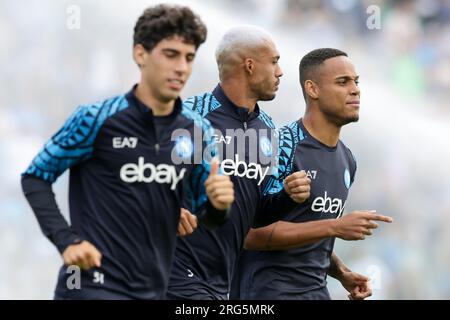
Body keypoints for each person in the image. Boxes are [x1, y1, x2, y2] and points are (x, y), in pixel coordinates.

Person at [20, 4, 234, 300]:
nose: (181, 67)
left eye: (189, 57)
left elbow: (208, 218)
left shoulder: (198, 131)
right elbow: (35, 177)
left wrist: (219, 205)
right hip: (91, 287)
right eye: (170, 54)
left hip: (154, 291)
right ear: (140, 54)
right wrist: (67, 240)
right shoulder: (96, 118)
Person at [234, 48, 393, 300]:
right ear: (312, 89)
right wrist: (336, 226)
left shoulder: (347, 159)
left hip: (317, 292)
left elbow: (308, 228)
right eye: (343, 82)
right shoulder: (279, 145)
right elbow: (248, 236)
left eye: (356, 81)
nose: (355, 89)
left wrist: (341, 272)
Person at [167, 25, 311, 300]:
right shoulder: (188, 115)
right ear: (249, 65)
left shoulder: (270, 131)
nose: (280, 72)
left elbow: (257, 215)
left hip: (223, 282)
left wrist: (288, 196)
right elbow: (142, 177)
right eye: (274, 62)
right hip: (174, 273)